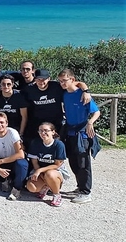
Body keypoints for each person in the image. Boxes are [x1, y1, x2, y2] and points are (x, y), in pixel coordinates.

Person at [59, 68, 101, 204]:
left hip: (83, 133)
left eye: (64, 81)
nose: (62, 84)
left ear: (72, 79)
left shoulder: (83, 95)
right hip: (70, 131)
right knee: (72, 160)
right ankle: (80, 187)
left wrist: (90, 123)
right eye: (60, 81)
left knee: (83, 163)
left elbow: (96, 112)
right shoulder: (65, 94)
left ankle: (86, 192)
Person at [26, 122, 69, 207]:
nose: (43, 133)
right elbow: (34, 162)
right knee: (31, 187)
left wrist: (40, 170)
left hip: (55, 171)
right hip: (40, 170)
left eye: (46, 131)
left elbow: (57, 165)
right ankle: (46, 186)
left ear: (53, 132)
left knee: (50, 174)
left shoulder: (59, 145)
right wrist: (39, 172)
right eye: (40, 131)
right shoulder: (35, 142)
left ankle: (56, 194)